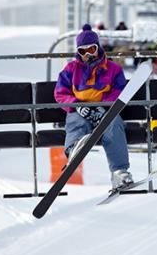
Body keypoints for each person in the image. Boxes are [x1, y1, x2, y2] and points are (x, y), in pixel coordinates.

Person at [54, 24, 133, 189]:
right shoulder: (70, 69)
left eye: (91, 49)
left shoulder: (113, 69)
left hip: (105, 111)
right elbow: (60, 93)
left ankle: (119, 172)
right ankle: (74, 149)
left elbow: (119, 91)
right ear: (78, 52)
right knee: (76, 123)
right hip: (79, 110)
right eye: (83, 51)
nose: (88, 54)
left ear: (98, 47)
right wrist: (76, 105)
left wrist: (104, 107)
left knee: (114, 125)